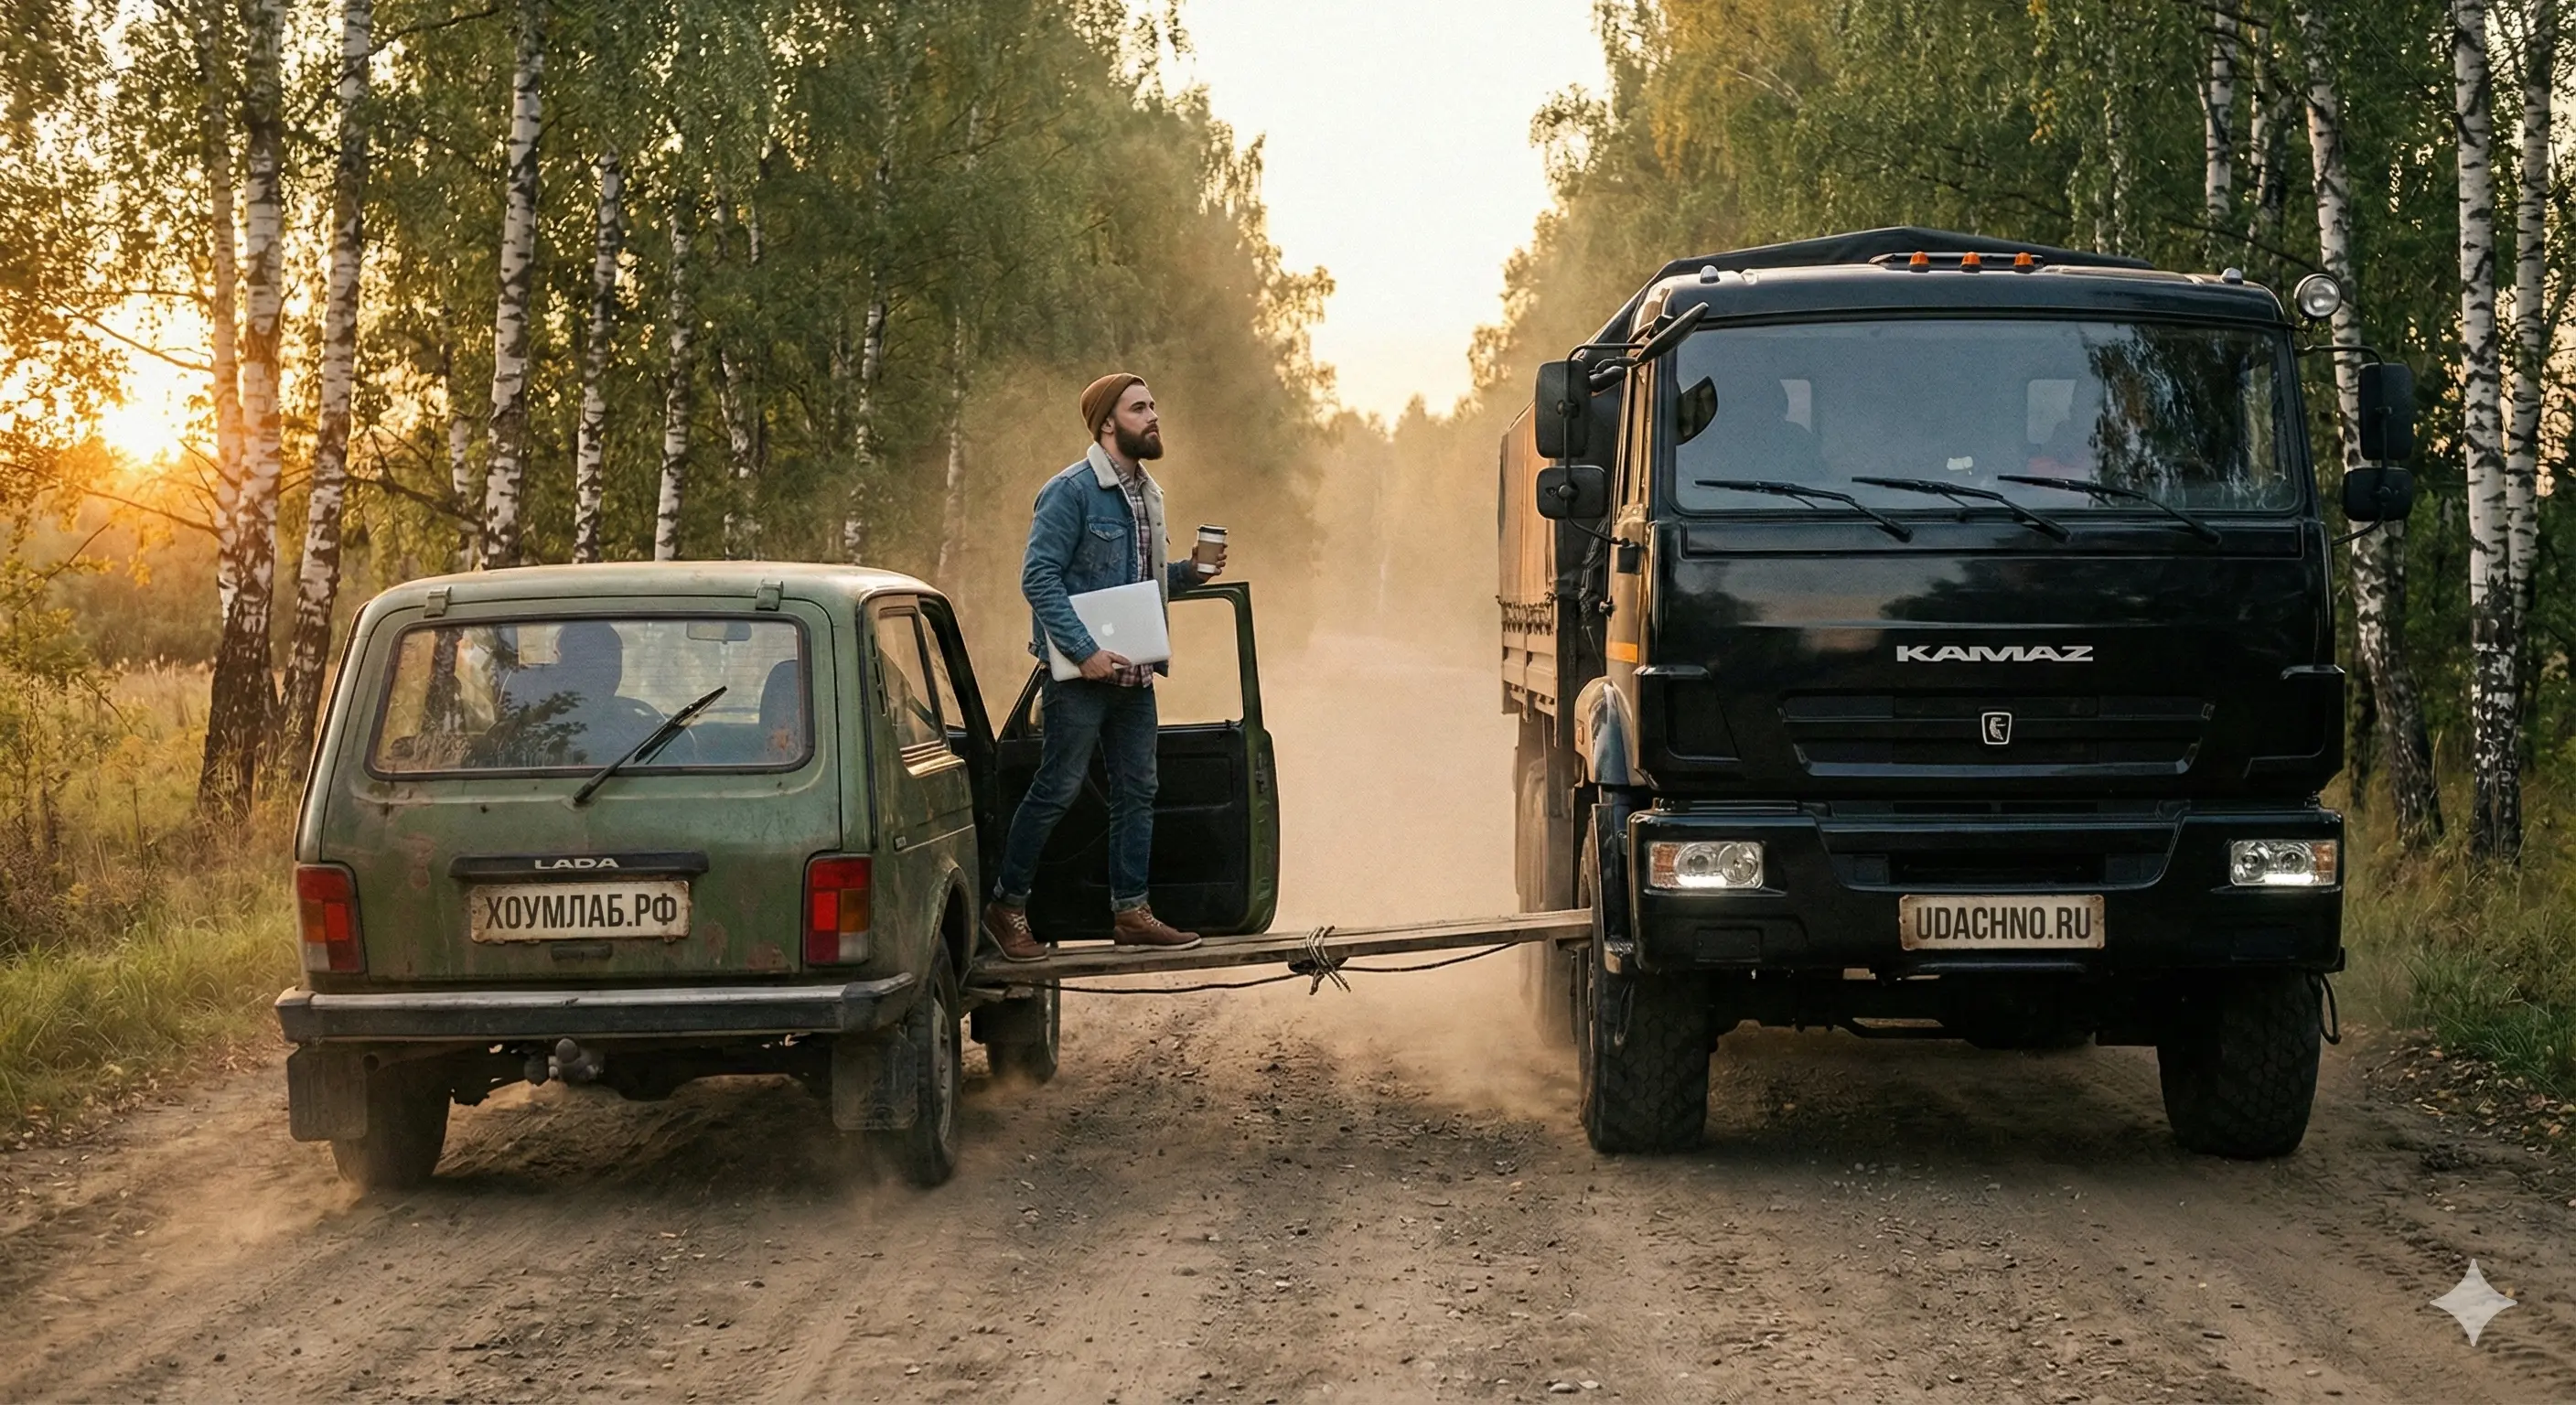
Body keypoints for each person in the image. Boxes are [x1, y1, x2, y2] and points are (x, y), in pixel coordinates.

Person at [982, 374, 1225, 962]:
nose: (1153, 416)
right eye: (1140, 408)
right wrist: (1084, 651)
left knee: (1139, 790)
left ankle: (1131, 913)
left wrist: (1189, 572)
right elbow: (1038, 578)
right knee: (1057, 789)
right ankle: (1005, 907)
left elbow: (1137, 579)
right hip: (1081, 677)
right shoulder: (1070, 491)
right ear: (1108, 423)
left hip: (1136, 672)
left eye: (1154, 406)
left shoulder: (1149, 493)